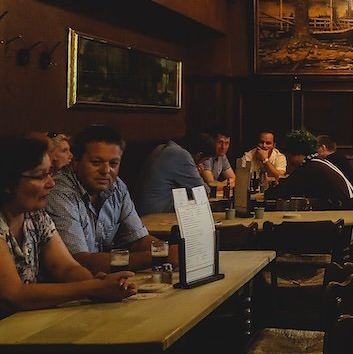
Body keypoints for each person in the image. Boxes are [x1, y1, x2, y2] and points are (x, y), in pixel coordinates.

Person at [0, 135, 136, 316]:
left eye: (50, 173)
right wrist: (91, 288)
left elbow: (65, 267)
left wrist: (97, 283)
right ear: (8, 182)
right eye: (41, 176)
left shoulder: (35, 216)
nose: (51, 183)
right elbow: (14, 295)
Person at [46, 125, 177, 274]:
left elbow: (138, 240)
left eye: (113, 163)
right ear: (76, 161)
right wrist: (161, 256)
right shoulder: (59, 192)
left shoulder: (117, 187)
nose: (106, 170)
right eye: (96, 162)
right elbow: (79, 261)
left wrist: (174, 252)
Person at [266, 130, 353, 240]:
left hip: (344, 228)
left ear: (294, 153)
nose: (288, 159)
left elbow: (280, 192)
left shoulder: (309, 168)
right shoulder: (319, 162)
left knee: (281, 234)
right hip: (352, 222)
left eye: (288, 155)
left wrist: (267, 192)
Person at [135, 133, 214, 215]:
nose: (203, 165)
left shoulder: (162, 148)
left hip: (143, 210)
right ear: (199, 155)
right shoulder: (181, 155)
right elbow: (202, 192)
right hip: (156, 215)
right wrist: (197, 172)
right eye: (204, 161)